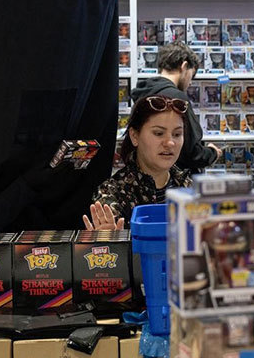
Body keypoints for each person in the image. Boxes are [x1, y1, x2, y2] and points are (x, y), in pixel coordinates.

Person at [84, 95, 192, 230]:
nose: (170, 143)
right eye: (159, 133)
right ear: (134, 136)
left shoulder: (189, 187)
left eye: (177, 134)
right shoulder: (112, 194)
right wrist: (110, 239)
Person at [130, 42, 222, 173]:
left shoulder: (144, 93)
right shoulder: (176, 98)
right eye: (192, 75)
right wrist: (212, 153)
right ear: (184, 67)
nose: (190, 83)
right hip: (175, 177)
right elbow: (190, 153)